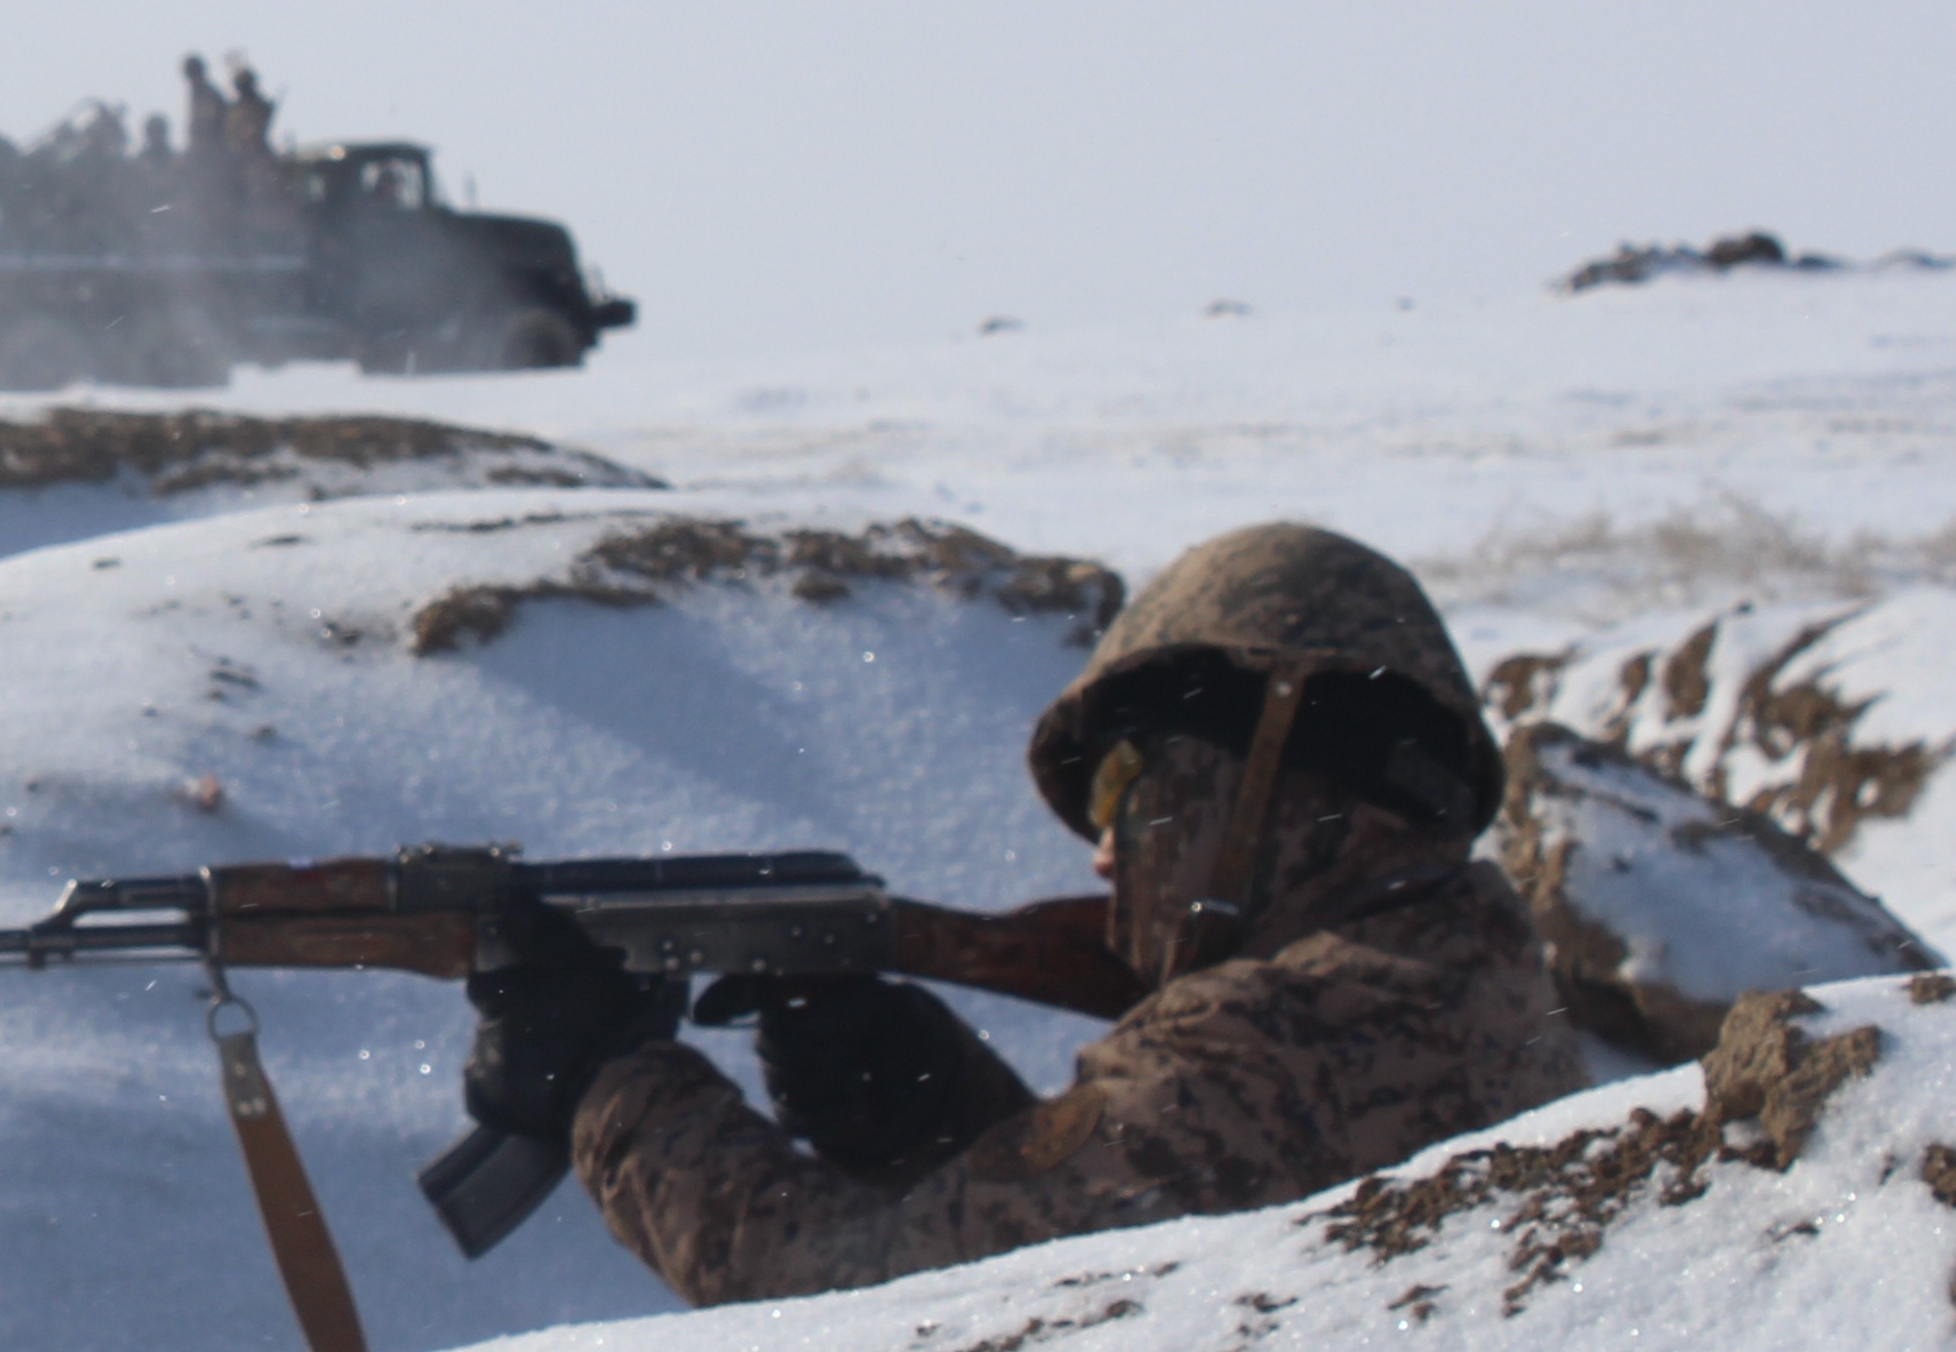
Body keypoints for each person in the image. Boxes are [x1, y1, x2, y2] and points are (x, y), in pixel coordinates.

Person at [496, 523, 1590, 1304]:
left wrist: (615, 1089)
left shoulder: (1270, 1049)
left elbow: (885, 1303)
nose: (1105, 850)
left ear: (1258, 775)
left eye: (1124, 785)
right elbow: (1118, 1232)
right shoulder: (1456, 978)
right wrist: (919, 1106)